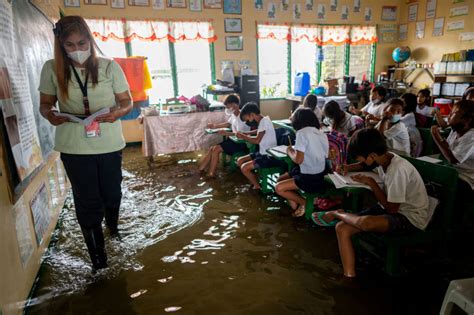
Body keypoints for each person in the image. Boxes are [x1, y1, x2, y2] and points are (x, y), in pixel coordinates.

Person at [39, 16, 132, 272]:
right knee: (88, 202)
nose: (78, 49)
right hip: (74, 147)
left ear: (90, 40)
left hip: (110, 144)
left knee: (112, 193)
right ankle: (99, 263)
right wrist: (50, 114)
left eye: (82, 42)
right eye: (70, 45)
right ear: (61, 45)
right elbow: (45, 104)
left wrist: (116, 113)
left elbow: (127, 102)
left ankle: (113, 228)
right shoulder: (51, 69)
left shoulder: (109, 66)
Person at [313, 128, 431, 278]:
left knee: (365, 223)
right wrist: (347, 167)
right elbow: (365, 165)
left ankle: (338, 213)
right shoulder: (384, 159)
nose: (360, 162)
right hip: (389, 208)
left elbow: (393, 210)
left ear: (372, 155)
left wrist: (372, 183)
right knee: (342, 228)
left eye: (361, 158)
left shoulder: (398, 170)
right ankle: (349, 275)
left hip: (410, 218)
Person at [275, 108, 329, 217]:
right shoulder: (321, 133)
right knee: (283, 178)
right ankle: (297, 208)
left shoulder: (301, 133)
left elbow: (298, 160)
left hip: (309, 178)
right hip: (321, 175)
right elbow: (325, 155)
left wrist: (290, 152)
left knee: (278, 188)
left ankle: (305, 203)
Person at [199, 94, 250, 177]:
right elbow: (228, 123)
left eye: (227, 106)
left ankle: (211, 173)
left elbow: (241, 134)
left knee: (216, 149)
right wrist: (215, 126)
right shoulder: (234, 114)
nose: (227, 108)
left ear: (234, 105)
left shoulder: (242, 117)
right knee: (213, 148)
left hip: (240, 143)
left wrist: (226, 133)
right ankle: (201, 169)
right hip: (232, 140)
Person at [236, 103, 282, 190]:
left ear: (252, 114)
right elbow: (260, 131)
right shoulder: (264, 120)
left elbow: (257, 140)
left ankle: (257, 186)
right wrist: (247, 133)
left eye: (248, 119)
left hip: (268, 156)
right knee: (240, 160)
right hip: (262, 152)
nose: (249, 121)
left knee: (244, 168)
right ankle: (254, 180)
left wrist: (243, 136)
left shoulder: (263, 121)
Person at [431, 100, 474, 192]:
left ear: (466, 119)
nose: (449, 115)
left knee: (433, 184)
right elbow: (447, 146)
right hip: (452, 171)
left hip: (466, 179)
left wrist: (436, 136)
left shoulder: (471, 137)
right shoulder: (455, 130)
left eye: (453, 113)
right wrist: (441, 139)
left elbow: (453, 159)